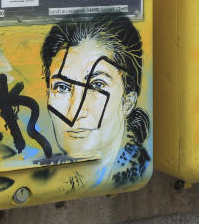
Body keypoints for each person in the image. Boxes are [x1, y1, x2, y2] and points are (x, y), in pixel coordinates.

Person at [40, 13, 150, 187]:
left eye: (96, 85)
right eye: (62, 87)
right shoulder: (43, 178)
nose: (75, 112)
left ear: (127, 101)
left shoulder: (134, 174)